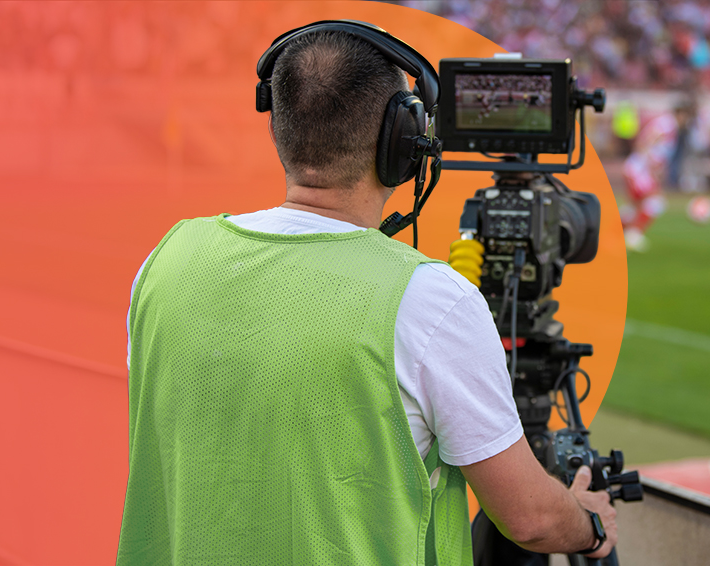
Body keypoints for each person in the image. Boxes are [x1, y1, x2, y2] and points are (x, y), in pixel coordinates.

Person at [117, 22, 617, 565]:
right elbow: (532, 520)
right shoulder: (430, 302)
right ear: (404, 141)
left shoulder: (165, 261)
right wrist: (590, 524)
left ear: (279, 127)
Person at [621, 101, 695, 252]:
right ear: (682, 114)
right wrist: (650, 163)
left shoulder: (670, 126)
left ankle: (616, 233)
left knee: (635, 206)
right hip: (639, 170)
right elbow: (646, 141)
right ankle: (633, 234)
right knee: (655, 202)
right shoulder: (667, 124)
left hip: (639, 169)